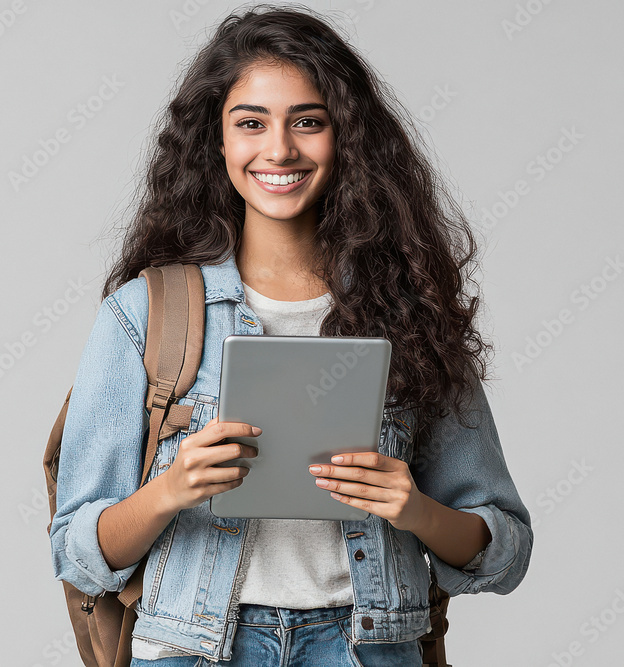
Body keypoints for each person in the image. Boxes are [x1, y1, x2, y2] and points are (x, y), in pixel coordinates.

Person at [49, 4, 533, 665]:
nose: (279, 149)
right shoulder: (146, 314)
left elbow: (504, 550)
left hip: (367, 647)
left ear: (347, 138)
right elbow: (78, 550)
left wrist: (416, 510)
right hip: (195, 649)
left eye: (308, 121)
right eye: (251, 123)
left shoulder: (409, 309)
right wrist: (171, 489)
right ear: (216, 141)